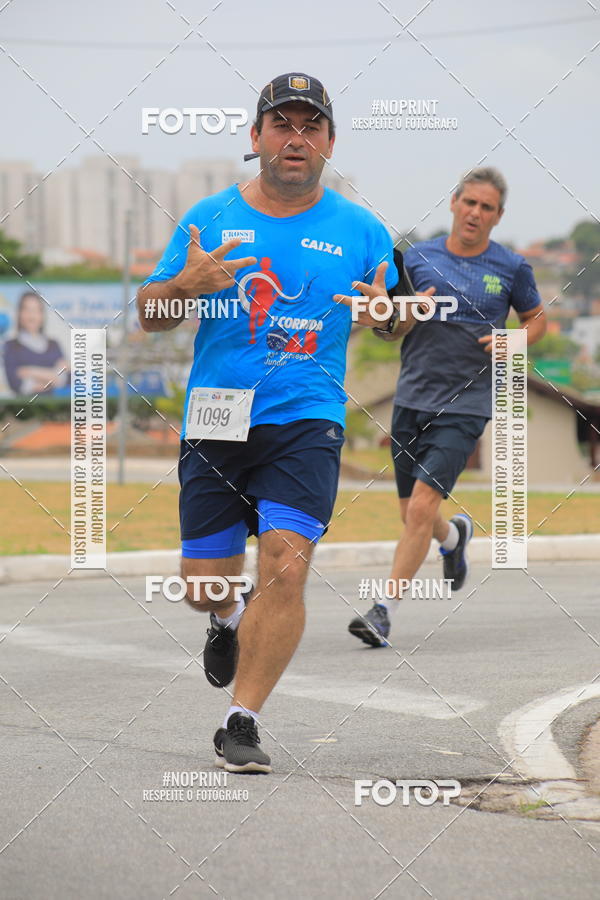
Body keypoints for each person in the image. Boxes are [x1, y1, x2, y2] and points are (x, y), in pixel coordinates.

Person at [137, 72, 412, 773]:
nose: (296, 137)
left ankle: (242, 720)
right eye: (282, 124)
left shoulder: (363, 229)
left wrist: (388, 318)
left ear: (330, 143)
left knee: (286, 567)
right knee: (203, 584)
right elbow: (150, 315)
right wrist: (181, 286)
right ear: (256, 136)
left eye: (311, 126)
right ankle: (226, 617)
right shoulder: (209, 217)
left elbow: (396, 316)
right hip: (217, 418)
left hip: (307, 420)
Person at [348, 167, 548, 647]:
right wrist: (401, 312)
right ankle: (454, 538)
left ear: (498, 216)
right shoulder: (418, 258)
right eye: (469, 202)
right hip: (411, 398)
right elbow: (389, 325)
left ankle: (383, 611)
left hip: (467, 404)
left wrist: (518, 340)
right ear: (454, 203)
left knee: (421, 507)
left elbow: (537, 318)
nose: (476, 213)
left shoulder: (512, 267)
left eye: (487, 207)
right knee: (412, 515)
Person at [3, 292, 69, 396]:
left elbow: (65, 379)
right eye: (27, 310)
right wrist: (52, 376)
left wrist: (30, 371)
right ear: (19, 313)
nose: (31, 316)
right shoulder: (10, 346)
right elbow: (18, 385)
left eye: (36, 310)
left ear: (42, 315)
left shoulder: (54, 345)